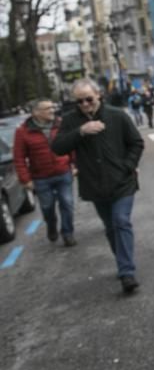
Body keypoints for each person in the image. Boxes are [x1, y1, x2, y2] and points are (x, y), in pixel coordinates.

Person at [52, 79, 145, 293]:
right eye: (79, 101)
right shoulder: (70, 120)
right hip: (94, 185)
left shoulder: (117, 115)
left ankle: (127, 272)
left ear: (99, 95)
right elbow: (57, 147)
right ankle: (123, 261)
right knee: (111, 227)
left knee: (121, 221)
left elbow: (136, 143)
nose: (85, 104)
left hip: (122, 182)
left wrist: (127, 166)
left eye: (89, 99)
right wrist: (81, 131)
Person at [13, 98, 76, 246]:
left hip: (63, 172)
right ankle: (51, 225)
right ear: (36, 112)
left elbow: (71, 144)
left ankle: (68, 233)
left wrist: (74, 163)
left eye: (52, 107)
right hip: (41, 178)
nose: (52, 110)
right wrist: (25, 179)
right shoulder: (22, 131)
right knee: (47, 207)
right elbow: (19, 157)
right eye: (48, 108)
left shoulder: (61, 124)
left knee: (67, 203)